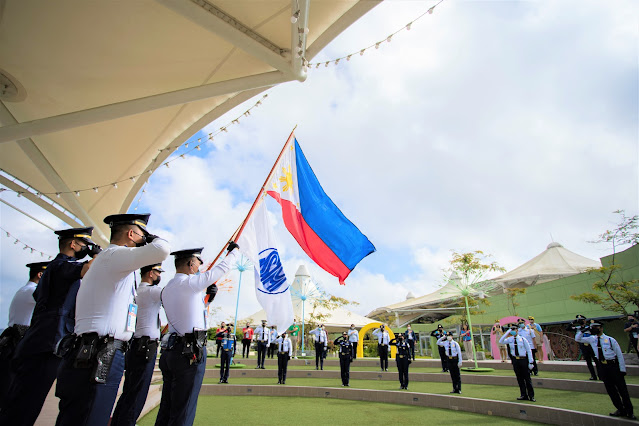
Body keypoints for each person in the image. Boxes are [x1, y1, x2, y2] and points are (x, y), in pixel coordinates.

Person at [54, 215, 168, 426]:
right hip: (99, 354)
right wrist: (154, 238)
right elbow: (162, 250)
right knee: (92, 417)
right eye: (141, 233)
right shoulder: (116, 255)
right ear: (131, 234)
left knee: (78, 417)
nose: (144, 238)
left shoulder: (111, 260)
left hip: (93, 350)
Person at [0, 227, 98, 426]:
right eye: (84, 244)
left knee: (23, 399)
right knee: (27, 401)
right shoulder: (62, 265)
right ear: (73, 244)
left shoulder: (53, 270)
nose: (86, 249)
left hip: (39, 339)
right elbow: (88, 269)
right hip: (47, 342)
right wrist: (98, 255)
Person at [156, 243, 238, 426]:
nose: (199, 268)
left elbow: (189, 313)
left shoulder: (168, 287)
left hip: (172, 350)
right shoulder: (189, 283)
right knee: (183, 409)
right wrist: (235, 252)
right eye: (198, 263)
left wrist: (208, 300)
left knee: (168, 406)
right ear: (190, 263)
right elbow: (221, 269)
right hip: (188, 353)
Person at [111, 263, 165, 426]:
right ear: (150, 273)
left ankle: (119, 421)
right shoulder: (152, 291)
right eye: (157, 272)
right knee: (138, 392)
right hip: (146, 346)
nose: (159, 275)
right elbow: (176, 296)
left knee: (130, 389)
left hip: (134, 344)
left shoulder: (136, 291)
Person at [0, 261, 49, 409]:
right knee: (12, 388)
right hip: (19, 341)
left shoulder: (24, 289)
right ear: (40, 275)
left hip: (13, 339)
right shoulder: (32, 292)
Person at [576, 322, 635, 420]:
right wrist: (583, 330)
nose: (594, 329)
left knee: (622, 390)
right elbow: (577, 338)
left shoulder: (610, 340)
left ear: (601, 328)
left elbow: (619, 355)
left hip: (613, 366)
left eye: (596, 327)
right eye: (593, 327)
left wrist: (622, 369)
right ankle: (620, 409)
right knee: (611, 390)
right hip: (602, 367)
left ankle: (630, 411)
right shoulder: (592, 339)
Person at [499, 323, 536, 402]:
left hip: (523, 359)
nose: (513, 331)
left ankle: (531, 396)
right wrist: (507, 332)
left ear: (517, 330)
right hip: (516, 360)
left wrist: (531, 362)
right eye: (512, 330)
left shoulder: (522, 339)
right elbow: (501, 341)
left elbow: (529, 351)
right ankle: (523, 395)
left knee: (527, 379)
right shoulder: (510, 339)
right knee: (519, 379)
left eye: (514, 330)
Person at [567, 314, 597, 380]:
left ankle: (601, 375)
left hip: (591, 346)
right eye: (579, 321)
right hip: (583, 346)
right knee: (589, 362)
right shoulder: (578, 328)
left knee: (596, 361)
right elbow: (568, 328)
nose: (581, 322)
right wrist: (573, 322)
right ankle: (593, 375)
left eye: (582, 320)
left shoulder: (589, 327)